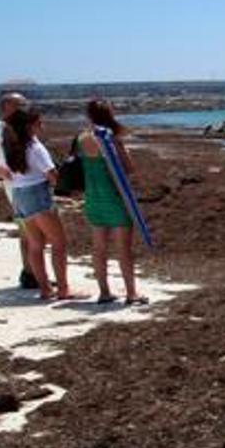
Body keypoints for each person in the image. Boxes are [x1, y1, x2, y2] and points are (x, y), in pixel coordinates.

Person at [2, 107, 80, 301]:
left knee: (35, 245)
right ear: (30, 126)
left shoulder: (11, 146)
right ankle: (63, 288)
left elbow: (5, 172)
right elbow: (52, 176)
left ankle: (45, 288)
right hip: (37, 194)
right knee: (59, 243)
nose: (42, 126)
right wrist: (70, 190)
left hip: (19, 195)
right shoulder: (35, 148)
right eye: (39, 123)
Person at [77, 100, 147, 305]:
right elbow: (128, 168)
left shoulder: (82, 138)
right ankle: (131, 293)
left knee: (99, 248)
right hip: (115, 197)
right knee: (123, 249)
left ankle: (104, 292)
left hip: (93, 196)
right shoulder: (109, 138)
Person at [0, 92, 38, 289]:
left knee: (26, 230)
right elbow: (13, 161)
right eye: (20, 104)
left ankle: (29, 271)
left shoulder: (3, 128)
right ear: (8, 106)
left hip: (16, 185)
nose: (25, 107)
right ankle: (30, 273)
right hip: (20, 185)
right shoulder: (6, 129)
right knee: (30, 231)